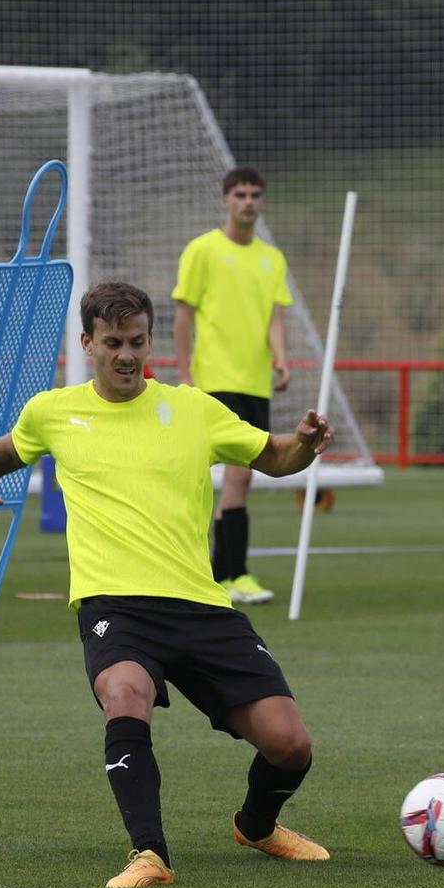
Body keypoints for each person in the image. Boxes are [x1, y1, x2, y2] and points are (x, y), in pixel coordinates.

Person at [0, 282, 332, 888]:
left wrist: (306, 446)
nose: (126, 355)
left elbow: (274, 457)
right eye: (112, 342)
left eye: (137, 341)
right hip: (116, 605)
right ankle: (149, 855)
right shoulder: (53, 411)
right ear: (88, 344)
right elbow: (12, 447)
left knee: (291, 744)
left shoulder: (193, 408)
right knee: (124, 691)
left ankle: (257, 824)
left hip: (201, 606)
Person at [173, 166, 293, 606]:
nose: (248, 202)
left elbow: (275, 316)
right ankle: (207, 570)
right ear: (226, 200)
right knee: (202, 475)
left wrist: (281, 358)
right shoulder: (203, 250)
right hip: (213, 379)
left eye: (255, 195)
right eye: (240, 194)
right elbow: (183, 314)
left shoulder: (270, 258)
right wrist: (185, 373)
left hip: (254, 381)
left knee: (243, 478)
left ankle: (229, 573)